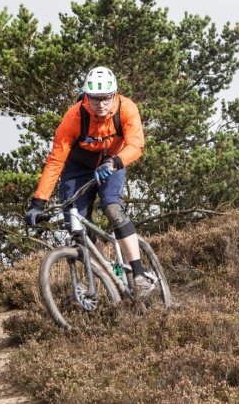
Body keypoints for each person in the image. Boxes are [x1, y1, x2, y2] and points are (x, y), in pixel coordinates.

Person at [24, 66, 156, 297]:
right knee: (77, 224)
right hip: (77, 169)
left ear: (114, 95)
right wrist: (38, 203)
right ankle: (102, 275)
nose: (101, 105)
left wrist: (115, 162)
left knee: (113, 208)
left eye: (106, 99)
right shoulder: (74, 117)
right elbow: (56, 160)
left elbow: (136, 144)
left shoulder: (126, 108)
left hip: (112, 163)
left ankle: (138, 274)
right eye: (95, 99)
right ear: (86, 96)